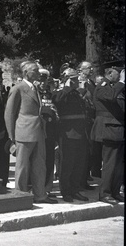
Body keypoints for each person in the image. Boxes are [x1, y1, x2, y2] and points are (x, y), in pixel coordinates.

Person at [4, 60, 57, 204]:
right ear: (26, 73)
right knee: (22, 167)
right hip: (24, 133)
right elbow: (9, 114)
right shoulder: (18, 89)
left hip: (39, 132)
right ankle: (20, 196)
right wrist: (11, 137)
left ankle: (40, 195)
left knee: (39, 165)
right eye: (34, 70)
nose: (38, 73)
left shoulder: (35, 88)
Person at [52, 68, 89, 203]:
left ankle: (75, 190)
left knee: (78, 164)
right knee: (67, 164)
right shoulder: (60, 93)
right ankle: (66, 191)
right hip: (68, 133)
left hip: (80, 133)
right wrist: (67, 87)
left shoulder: (76, 94)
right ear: (66, 80)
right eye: (73, 79)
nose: (76, 81)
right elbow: (57, 101)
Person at [90, 61, 125, 204]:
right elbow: (110, 97)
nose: (122, 74)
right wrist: (122, 82)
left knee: (119, 164)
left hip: (119, 129)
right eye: (120, 72)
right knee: (110, 163)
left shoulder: (117, 88)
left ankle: (115, 191)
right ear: (110, 73)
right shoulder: (102, 86)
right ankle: (105, 193)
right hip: (109, 129)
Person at [37, 68, 59, 198]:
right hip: (38, 131)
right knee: (38, 160)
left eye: (44, 81)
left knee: (49, 160)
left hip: (50, 131)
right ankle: (36, 187)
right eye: (40, 81)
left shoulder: (50, 95)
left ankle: (47, 188)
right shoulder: (34, 94)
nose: (42, 83)